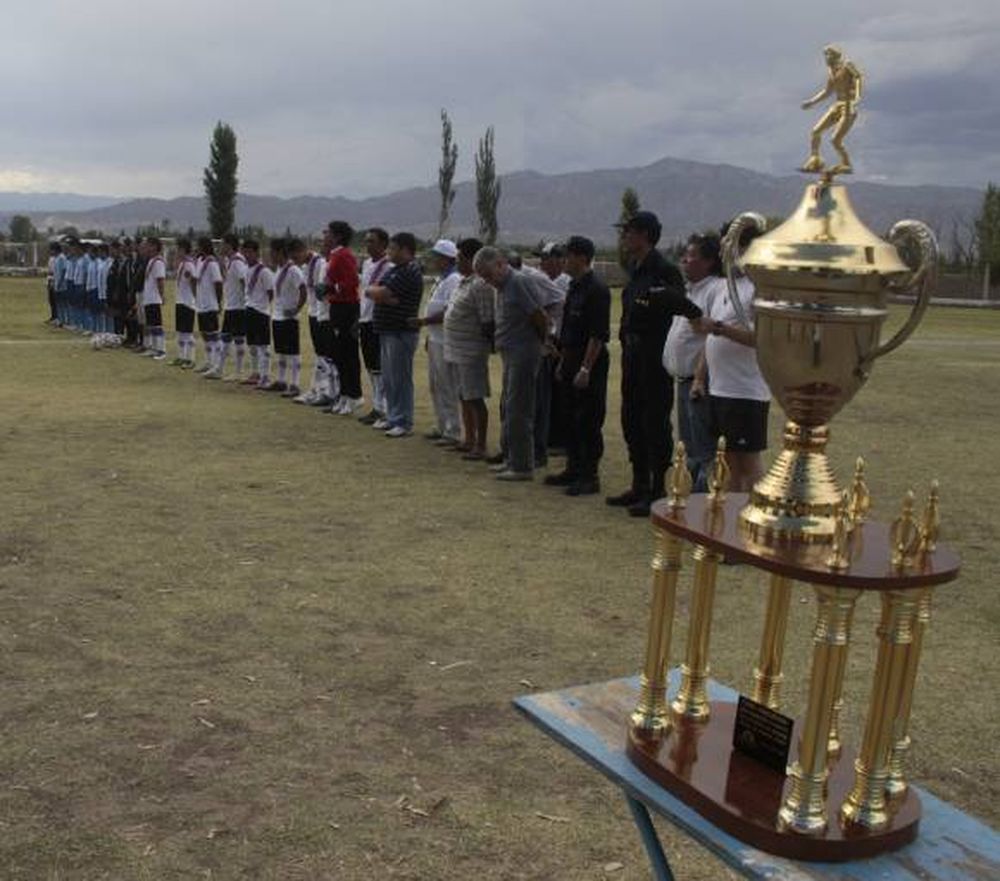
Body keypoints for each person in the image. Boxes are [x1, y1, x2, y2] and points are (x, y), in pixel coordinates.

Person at [607, 210, 703, 517]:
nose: (624, 237)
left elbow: (678, 304)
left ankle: (656, 490)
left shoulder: (663, 270)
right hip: (633, 355)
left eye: (629, 232)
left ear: (645, 234)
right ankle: (638, 484)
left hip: (654, 357)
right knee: (631, 419)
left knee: (654, 423)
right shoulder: (636, 269)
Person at [691, 222, 770, 491]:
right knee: (729, 462)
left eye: (730, 244)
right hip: (720, 389)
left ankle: (758, 516)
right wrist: (700, 378)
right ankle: (733, 519)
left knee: (749, 463)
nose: (724, 250)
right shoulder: (724, 285)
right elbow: (709, 338)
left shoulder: (759, 287)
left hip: (746, 391)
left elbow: (762, 338)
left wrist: (719, 328)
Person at [473, 247, 548, 481]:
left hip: (523, 351)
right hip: (510, 352)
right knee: (507, 405)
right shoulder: (503, 286)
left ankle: (522, 465)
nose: (488, 281)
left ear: (501, 264)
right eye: (483, 277)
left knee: (518, 408)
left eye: (488, 275)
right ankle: (510, 457)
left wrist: (542, 343)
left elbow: (539, 317)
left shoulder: (519, 282)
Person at [546, 235, 611, 496]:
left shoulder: (597, 289)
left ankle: (589, 475)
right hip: (570, 355)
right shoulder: (574, 286)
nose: (564, 261)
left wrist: (585, 368)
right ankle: (573, 468)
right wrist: (562, 361)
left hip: (589, 360)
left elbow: (597, 334)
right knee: (569, 417)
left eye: (568, 256)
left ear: (582, 258)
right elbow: (568, 330)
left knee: (588, 419)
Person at [663, 233, 726, 489]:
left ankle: (701, 507)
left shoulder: (715, 289)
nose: (684, 260)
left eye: (690, 256)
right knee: (687, 447)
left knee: (703, 450)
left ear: (709, 261)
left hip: (700, 382)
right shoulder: (691, 290)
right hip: (682, 379)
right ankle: (685, 500)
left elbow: (709, 333)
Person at [366, 231, 423, 437]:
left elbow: (382, 293)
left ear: (405, 250)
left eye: (392, 248)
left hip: (401, 332)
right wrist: (378, 293)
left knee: (400, 378)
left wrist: (380, 294)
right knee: (389, 378)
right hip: (387, 330)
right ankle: (392, 416)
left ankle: (403, 421)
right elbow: (375, 291)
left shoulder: (409, 271)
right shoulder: (394, 270)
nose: (388, 251)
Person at [442, 237, 494, 459]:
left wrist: (480, 345)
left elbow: (487, 321)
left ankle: (480, 444)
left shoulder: (481, 285)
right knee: (463, 395)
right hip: (457, 348)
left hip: (471, 350)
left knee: (475, 397)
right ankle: (469, 438)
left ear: (473, 259)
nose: (457, 262)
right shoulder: (464, 282)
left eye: (460, 258)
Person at [412, 239, 461, 444]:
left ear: (445, 259)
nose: (432, 260)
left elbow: (449, 311)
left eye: (436, 256)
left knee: (447, 385)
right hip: (435, 338)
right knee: (435, 384)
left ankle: (453, 430)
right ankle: (442, 425)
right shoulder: (441, 279)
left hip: (445, 340)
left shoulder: (454, 280)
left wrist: (424, 322)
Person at [323, 221, 363, 414]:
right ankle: (344, 394)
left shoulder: (344, 254)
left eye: (328, 233)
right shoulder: (334, 255)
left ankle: (354, 396)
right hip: (337, 306)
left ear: (338, 236)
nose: (324, 235)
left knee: (347, 353)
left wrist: (332, 287)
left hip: (347, 307)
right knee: (338, 354)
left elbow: (352, 281)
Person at [263, 237, 307, 396]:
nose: (271, 255)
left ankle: (294, 384)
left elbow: (303, 290)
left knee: (293, 351)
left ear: (281, 252)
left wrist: (296, 309)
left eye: (273, 252)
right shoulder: (279, 270)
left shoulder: (293, 270)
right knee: (281, 350)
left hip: (289, 317)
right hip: (277, 315)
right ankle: (281, 381)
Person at [358, 227, 391, 424]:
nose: (368, 245)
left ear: (383, 244)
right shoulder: (367, 263)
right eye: (367, 241)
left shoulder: (388, 266)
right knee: (370, 366)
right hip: (364, 319)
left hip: (378, 320)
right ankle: (376, 405)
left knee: (380, 366)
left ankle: (384, 407)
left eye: (372, 241)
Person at [294, 244, 332, 406]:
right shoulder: (305, 266)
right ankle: (316, 389)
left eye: (296, 257)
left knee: (325, 355)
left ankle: (326, 391)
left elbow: (322, 291)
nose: (296, 261)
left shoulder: (320, 264)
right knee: (319, 354)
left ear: (303, 250)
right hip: (312, 312)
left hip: (322, 314)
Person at [241, 239, 275, 387]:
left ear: (256, 253)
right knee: (252, 345)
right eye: (245, 252)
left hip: (261, 311)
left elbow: (271, 292)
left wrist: (263, 306)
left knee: (263, 346)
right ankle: (255, 373)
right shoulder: (247, 270)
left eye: (249, 252)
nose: (247, 255)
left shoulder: (264, 271)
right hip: (249, 309)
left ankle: (265, 376)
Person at [191, 237, 224, 377]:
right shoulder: (199, 261)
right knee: (204, 334)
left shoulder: (212, 263)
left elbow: (218, 283)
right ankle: (209, 361)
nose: (196, 249)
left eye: (198, 246)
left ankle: (216, 364)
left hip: (210, 304)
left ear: (204, 247)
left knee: (213, 334)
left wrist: (218, 301)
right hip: (201, 303)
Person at [218, 233, 248, 380]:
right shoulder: (230, 261)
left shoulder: (237, 262)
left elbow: (244, 281)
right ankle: (220, 368)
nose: (221, 247)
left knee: (238, 339)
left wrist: (246, 300)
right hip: (231, 305)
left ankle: (238, 371)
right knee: (225, 338)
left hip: (238, 307)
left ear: (229, 245)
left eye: (223, 244)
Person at [139, 236, 167, 360]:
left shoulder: (159, 262)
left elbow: (160, 280)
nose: (146, 248)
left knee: (157, 325)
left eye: (149, 245)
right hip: (148, 298)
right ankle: (153, 348)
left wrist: (161, 295)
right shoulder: (151, 261)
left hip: (154, 298)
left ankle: (161, 350)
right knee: (151, 325)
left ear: (155, 247)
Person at [172, 238, 198, 368]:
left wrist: (195, 299)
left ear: (184, 250)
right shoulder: (182, 264)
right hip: (180, 300)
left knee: (188, 332)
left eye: (179, 249)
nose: (177, 252)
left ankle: (191, 358)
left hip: (188, 302)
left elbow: (194, 281)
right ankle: (181, 356)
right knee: (181, 331)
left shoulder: (189, 264)